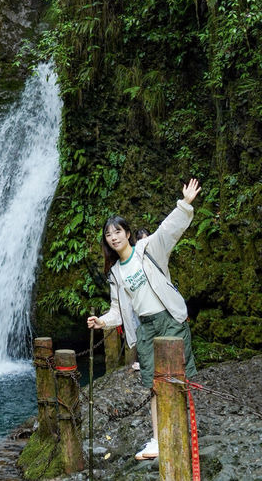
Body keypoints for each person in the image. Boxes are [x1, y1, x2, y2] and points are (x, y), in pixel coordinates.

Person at [87, 178, 201, 461]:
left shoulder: (147, 250)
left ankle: (182, 432)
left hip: (170, 320)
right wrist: (103, 321)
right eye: (108, 235)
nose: (113, 237)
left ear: (127, 233)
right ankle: (158, 439)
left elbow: (168, 231)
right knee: (153, 385)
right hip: (147, 328)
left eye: (118, 231)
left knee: (178, 380)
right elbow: (119, 309)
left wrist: (184, 204)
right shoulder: (115, 273)